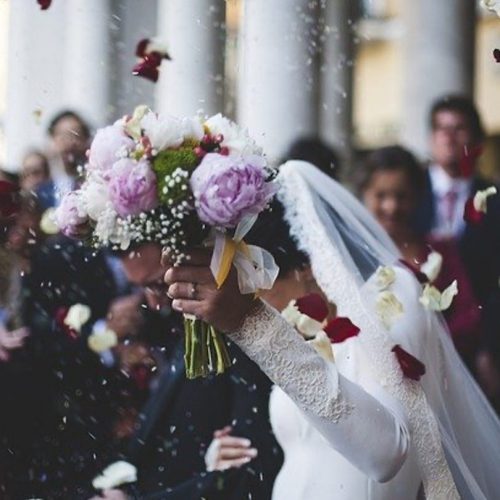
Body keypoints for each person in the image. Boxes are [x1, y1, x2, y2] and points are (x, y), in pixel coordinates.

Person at [166, 161, 500, 499]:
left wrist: (253, 324)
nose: (259, 303)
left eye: (256, 287)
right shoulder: (308, 338)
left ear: (305, 269)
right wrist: (225, 457)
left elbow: (386, 453)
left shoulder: (392, 294)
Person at [88, 242, 282, 500]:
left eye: (160, 284)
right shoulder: (162, 323)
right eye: (140, 288)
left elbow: (253, 466)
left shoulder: (240, 328)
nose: (153, 303)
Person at [360, 145, 481, 363]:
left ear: (416, 197)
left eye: (401, 196)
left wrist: (426, 344)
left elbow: (468, 314)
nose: (391, 206)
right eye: (381, 195)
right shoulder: (353, 253)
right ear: (364, 195)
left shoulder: (440, 250)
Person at [36, 110, 91, 208]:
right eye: (63, 136)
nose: (70, 143)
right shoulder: (41, 192)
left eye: (76, 135)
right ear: (52, 140)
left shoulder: (93, 186)